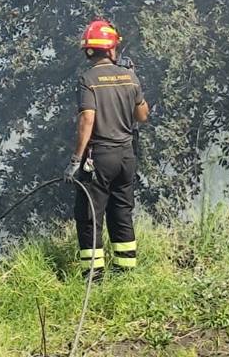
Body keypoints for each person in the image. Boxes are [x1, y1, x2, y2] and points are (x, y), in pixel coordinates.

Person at [67, 18, 149, 277]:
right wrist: (133, 85)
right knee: (121, 211)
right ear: (112, 49)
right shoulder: (130, 76)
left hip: (99, 158)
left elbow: (87, 117)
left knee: (90, 214)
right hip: (126, 156)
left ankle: (94, 275)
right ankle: (126, 272)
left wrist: (75, 159)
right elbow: (142, 115)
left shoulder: (88, 79)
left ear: (89, 51)